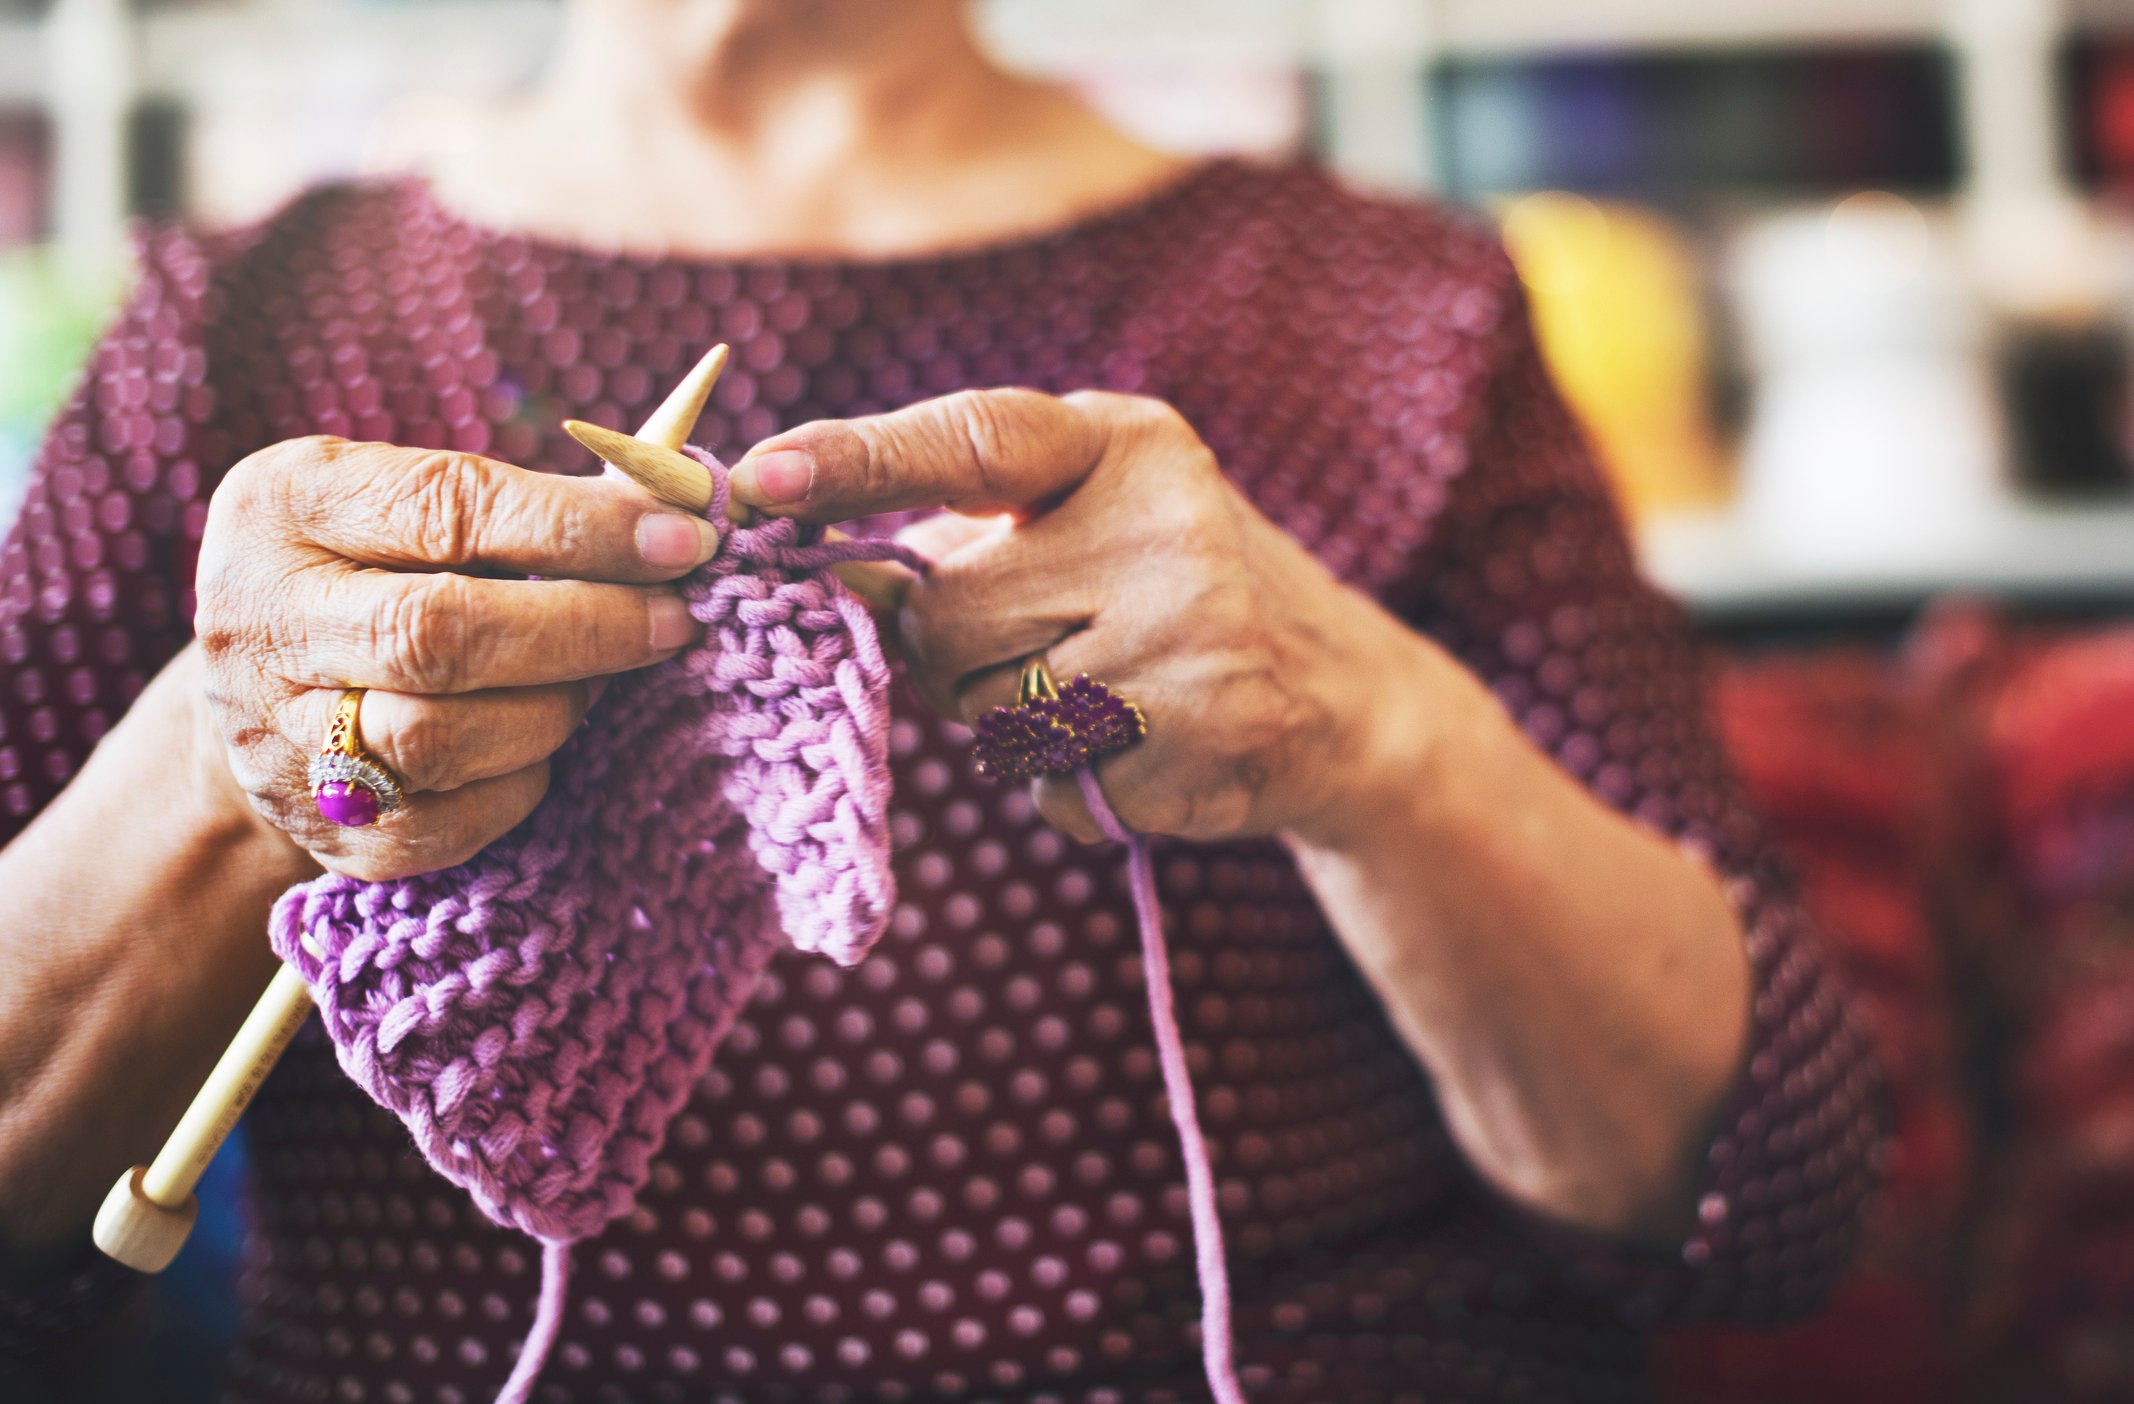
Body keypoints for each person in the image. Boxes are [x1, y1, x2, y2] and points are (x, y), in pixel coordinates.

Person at [0, 1, 1884, 1399]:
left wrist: (1363, 738)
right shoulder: (239, 340)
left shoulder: (1384, 315)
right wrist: (251, 760)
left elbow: (1766, 1192)